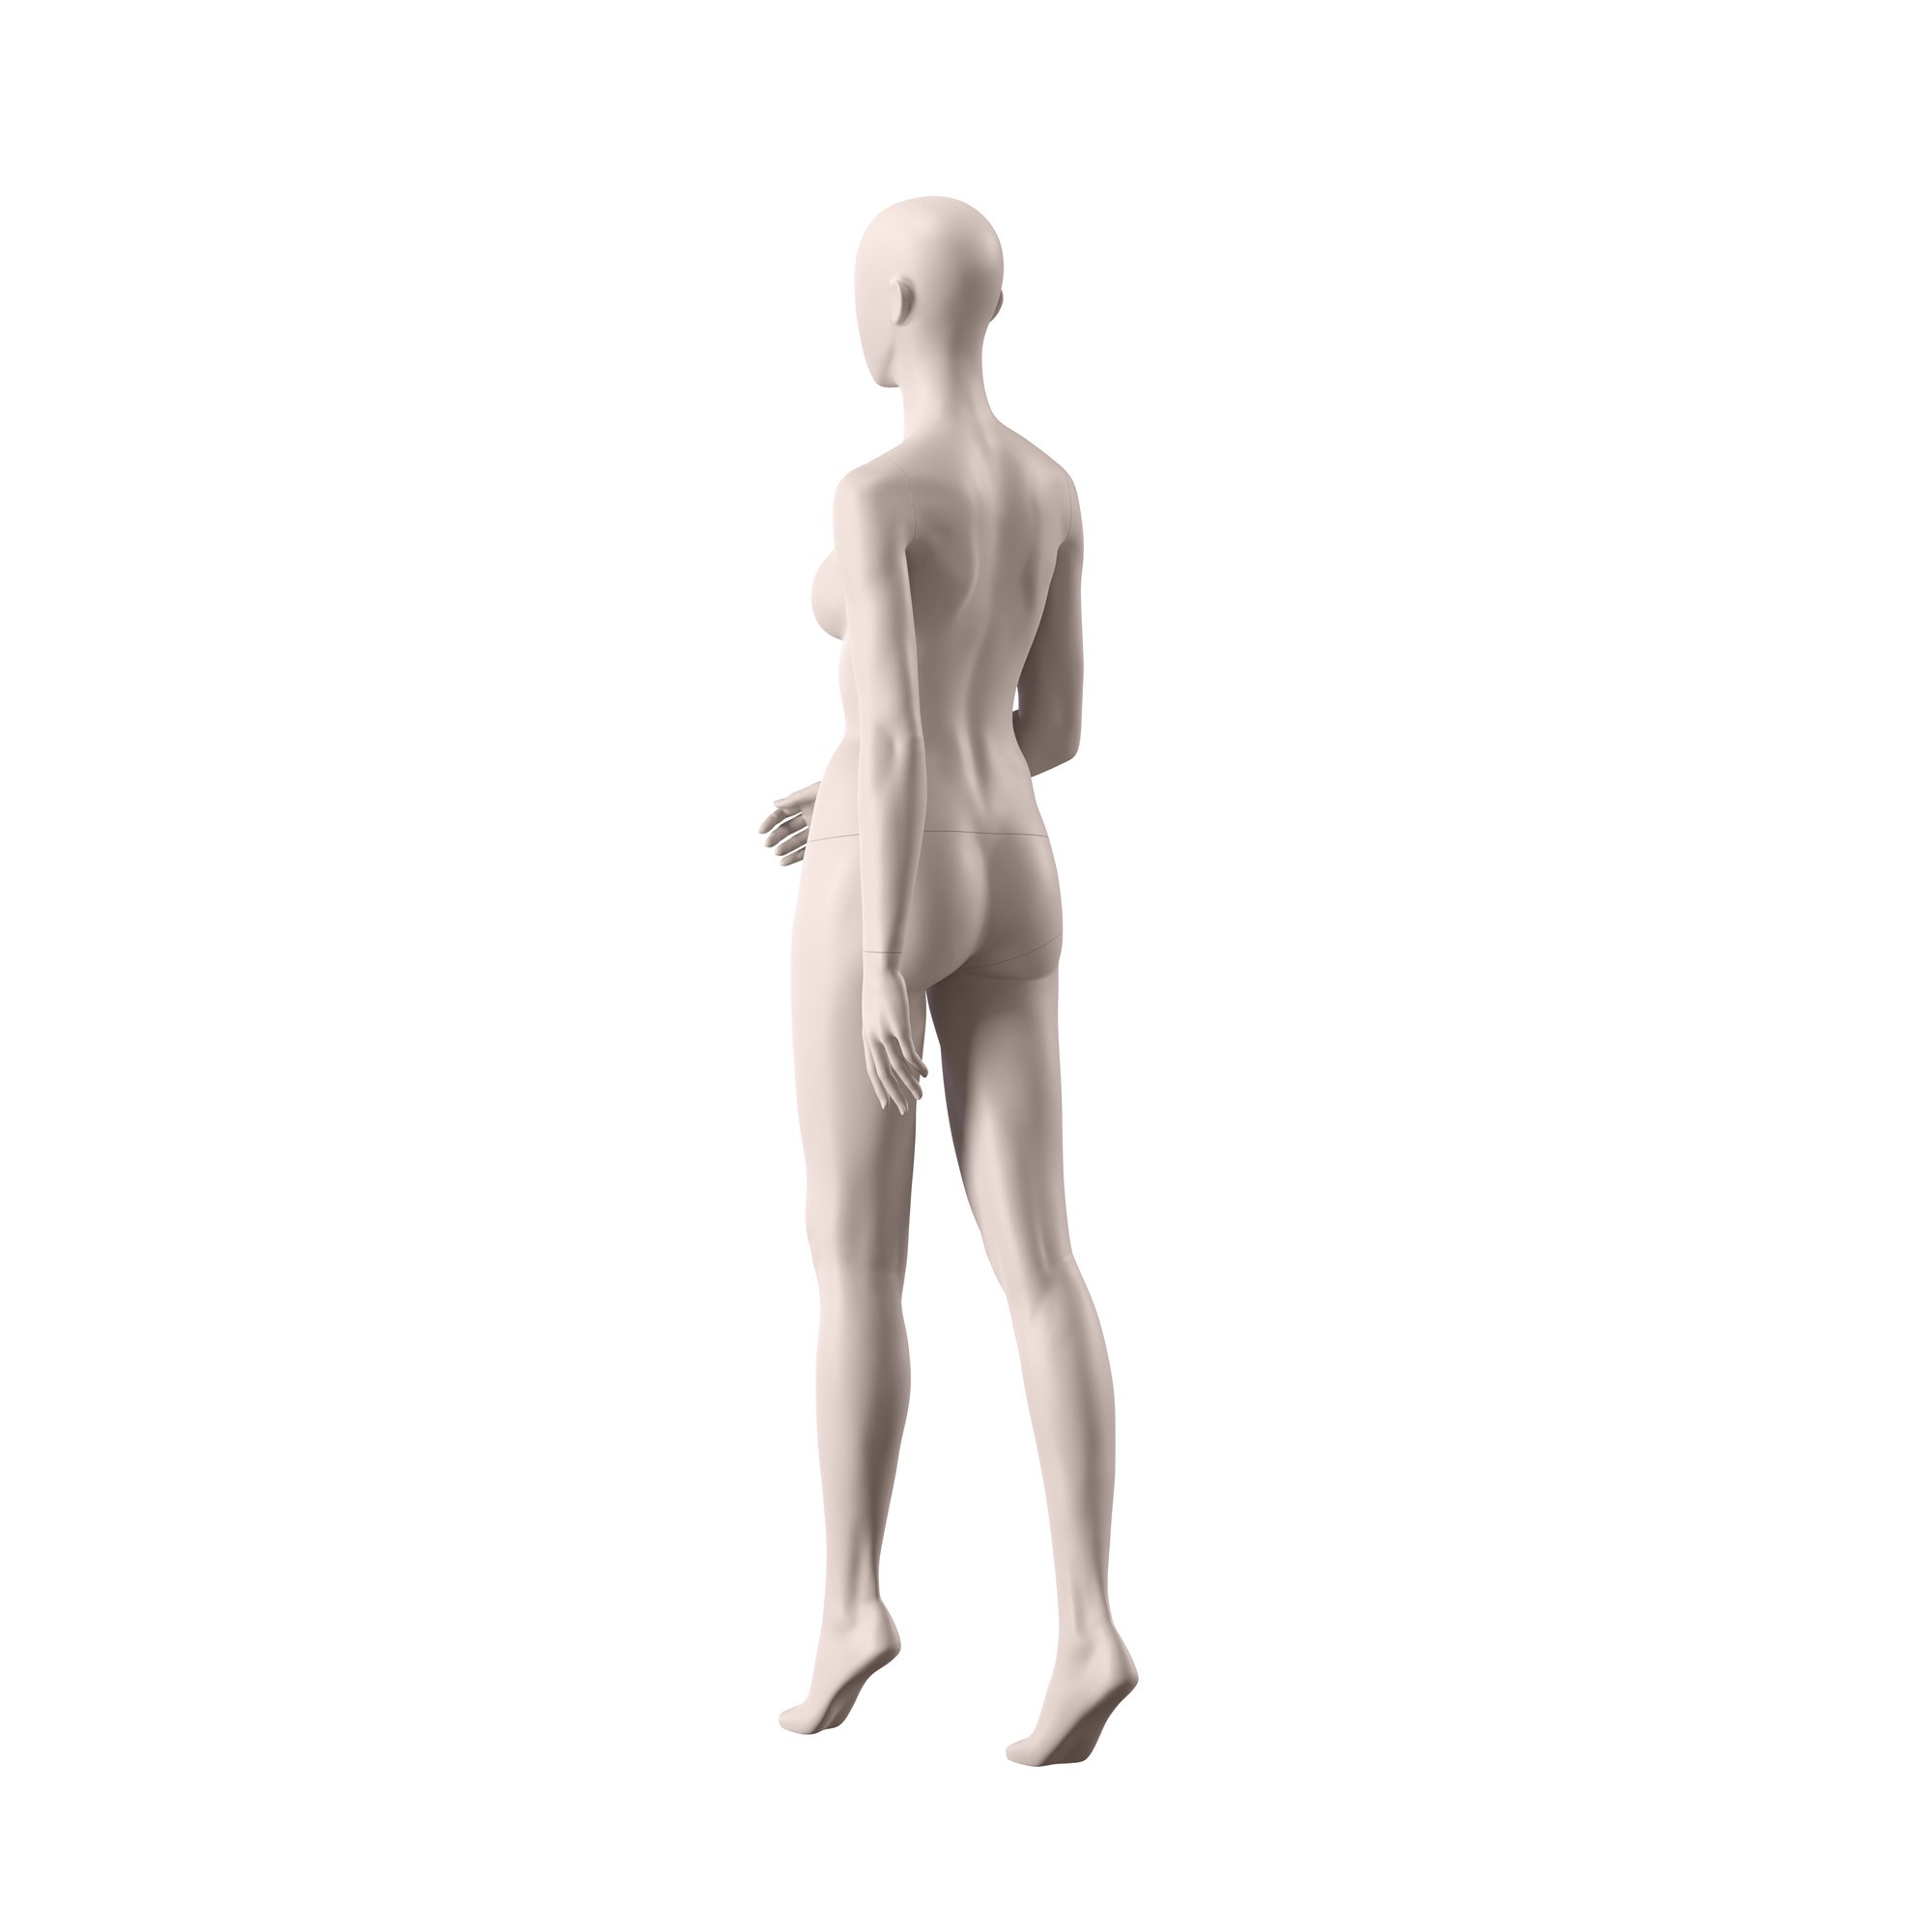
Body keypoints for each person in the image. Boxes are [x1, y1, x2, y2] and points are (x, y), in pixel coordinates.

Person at [757, 198, 1135, 1766]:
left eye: (865, 288)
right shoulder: (1048, 489)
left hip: (895, 861)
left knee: (857, 1257)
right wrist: (843, 775)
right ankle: (1089, 1625)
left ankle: (852, 1602)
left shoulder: (877, 494)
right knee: (1041, 1257)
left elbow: (901, 733)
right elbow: (1050, 730)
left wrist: (878, 957)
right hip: (1017, 854)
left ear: (904, 299)